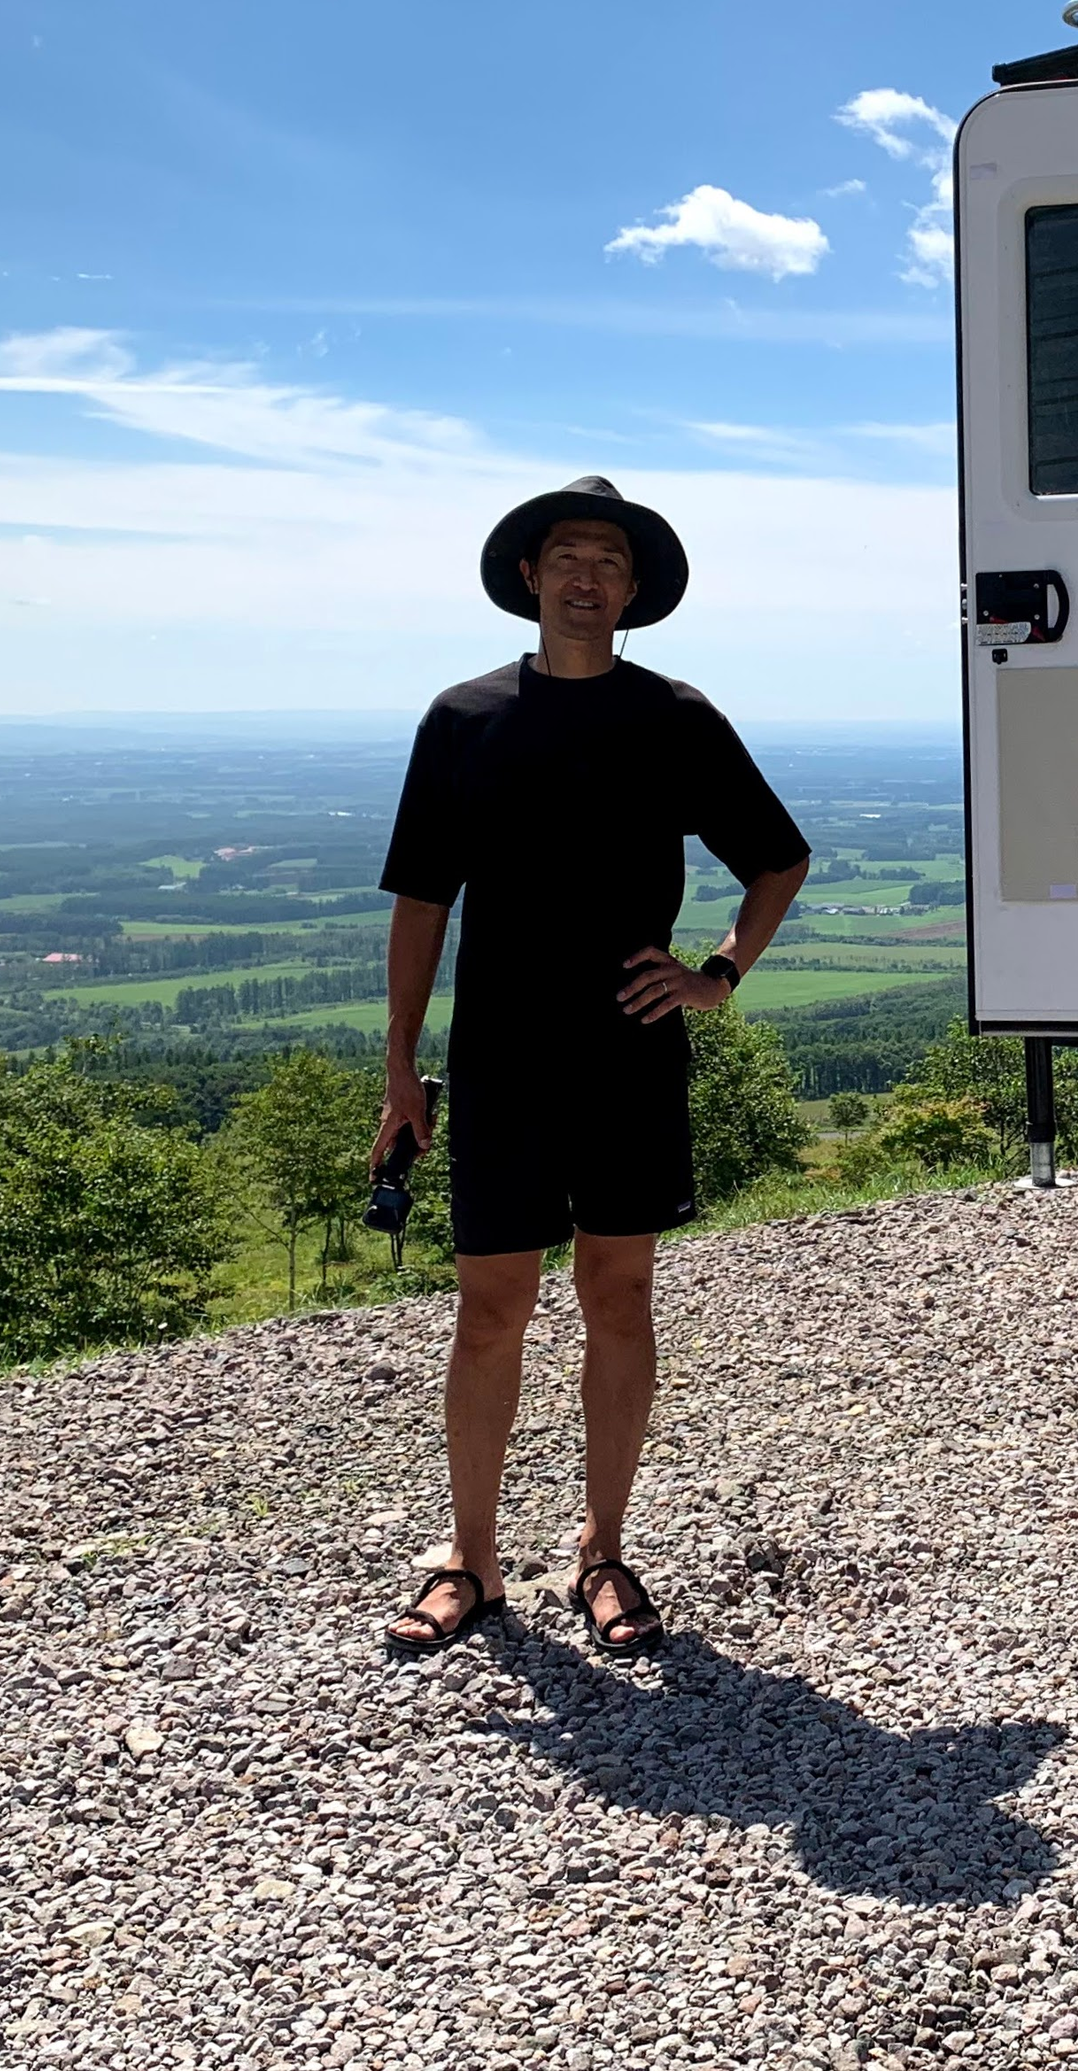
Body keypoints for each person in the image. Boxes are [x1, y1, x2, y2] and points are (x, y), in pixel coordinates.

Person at [373, 476, 810, 1657]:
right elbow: (421, 900)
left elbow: (777, 859)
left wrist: (718, 971)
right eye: (564, 555)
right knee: (488, 1309)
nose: (583, 576)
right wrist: (401, 1065)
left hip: (628, 1054)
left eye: (606, 561)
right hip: (501, 1055)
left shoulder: (673, 718)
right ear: (528, 576)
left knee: (618, 1298)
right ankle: (470, 1558)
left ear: (633, 589)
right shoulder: (462, 718)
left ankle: (599, 1549)